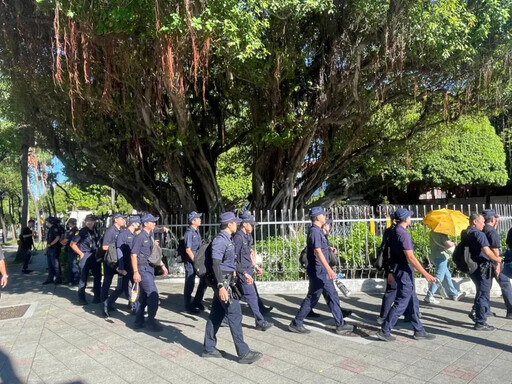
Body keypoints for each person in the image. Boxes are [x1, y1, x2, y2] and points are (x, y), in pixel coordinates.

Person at [203, 212, 262, 364]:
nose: (237, 224)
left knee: (216, 315)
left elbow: (231, 262)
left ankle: (209, 348)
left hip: (227, 280)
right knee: (235, 315)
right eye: (235, 222)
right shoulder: (220, 241)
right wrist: (221, 286)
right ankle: (243, 353)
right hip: (223, 282)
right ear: (229, 224)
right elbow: (216, 264)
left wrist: (244, 273)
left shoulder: (227, 239)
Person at [288, 207, 354, 335]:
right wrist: (329, 269)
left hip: (321, 270)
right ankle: (296, 323)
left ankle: (340, 324)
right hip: (319, 271)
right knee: (313, 297)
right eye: (323, 215)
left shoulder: (318, 231)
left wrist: (329, 248)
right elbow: (317, 251)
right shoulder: (315, 232)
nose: (325, 217)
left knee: (332, 296)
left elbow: (320, 248)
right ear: (317, 217)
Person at [377, 208, 436, 342]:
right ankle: (385, 330)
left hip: (401, 269)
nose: (410, 218)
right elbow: (410, 257)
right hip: (404, 271)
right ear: (405, 219)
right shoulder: (403, 234)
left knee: (412, 300)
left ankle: (419, 330)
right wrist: (426, 274)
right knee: (402, 301)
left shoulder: (393, 231)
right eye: (409, 216)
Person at [459, 213, 502, 330]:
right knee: (483, 294)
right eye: (481, 222)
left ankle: (475, 313)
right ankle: (480, 322)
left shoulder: (465, 232)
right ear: (475, 222)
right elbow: (487, 252)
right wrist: (498, 259)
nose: (484, 224)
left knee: (480, 292)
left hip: (472, 267)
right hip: (482, 268)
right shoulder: (479, 234)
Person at [234, 211, 273, 331]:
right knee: (251, 296)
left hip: (248, 270)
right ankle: (260, 321)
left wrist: (255, 266)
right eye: (251, 224)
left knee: (239, 296)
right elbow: (233, 258)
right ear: (244, 224)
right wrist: (241, 273)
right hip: (243, 272)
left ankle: (225, 316)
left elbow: (249, 253)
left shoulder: (248, 236)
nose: (253, 226)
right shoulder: (238, 237)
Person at [471, 209, 512, 320]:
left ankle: (484, 310)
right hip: (494, 262)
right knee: (505, 284)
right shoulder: (492, 231)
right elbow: (494, 249)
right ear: (493, 219)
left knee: (485, 287)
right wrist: (498, 264)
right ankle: (511, 310)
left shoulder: (482, 229)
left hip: (485, 263)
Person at [131, 214, 168, 332]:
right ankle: (150, 322)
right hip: (143, 269)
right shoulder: (140, 236)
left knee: (143, 297)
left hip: (149, 268)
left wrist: (162, 265)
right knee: (153, 295)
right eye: (152, 222)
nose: (154, 224)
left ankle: (138, 321)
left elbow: (152, 252)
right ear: (146, 223)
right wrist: (136, 272)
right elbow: (133, 255)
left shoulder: (149, 234)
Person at [104, 215, 141, 316]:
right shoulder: (123, 235)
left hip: (132, 264)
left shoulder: (136, 234)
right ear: (133, 223)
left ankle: (134, 306)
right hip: (124, 264)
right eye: (138, 222)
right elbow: (119, 251)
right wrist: (120, 267)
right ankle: (107, 303)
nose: (139, 224)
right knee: (122, 288)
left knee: (133, 286)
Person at [424, 230, 463, 304]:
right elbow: (448, 244)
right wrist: (453, 242)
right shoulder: (442, 234)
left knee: (447, 275)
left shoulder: (433, 232)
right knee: (439, 277)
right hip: (441, 256)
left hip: (435, 255)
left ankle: (454, 293)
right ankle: (429, 295)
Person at [70, 214, 102, 305]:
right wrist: (81, 253)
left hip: (95, 256)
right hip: (86, 255)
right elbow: (72, 244)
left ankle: (97, 297)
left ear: (94, 222)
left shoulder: (95, 230)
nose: (90, 222)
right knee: (83, 278)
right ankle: (81, 298)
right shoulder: (81, 232)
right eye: (88, 221)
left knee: (98, 277)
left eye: (91, 221)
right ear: (85, 222)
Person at [101, 213, 127, 316]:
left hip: (118, 260)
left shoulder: (122, 230)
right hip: (110, 260)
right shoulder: (110, 231)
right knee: (107, 282)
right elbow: (104, 247)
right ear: (116, 220)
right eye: (122, 219)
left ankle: (111, 301)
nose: (124, 220)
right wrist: (115, 248)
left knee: (121, 284)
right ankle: (104, 303)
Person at [182, 211, 208, 314]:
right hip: (191, 261)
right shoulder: (189, 233)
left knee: (204, 280)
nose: (200, 220)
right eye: (198, 218)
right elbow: (188, 249)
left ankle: (197, 301)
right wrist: (195, 261)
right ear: (193, 221)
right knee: (190, 282)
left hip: (197, 260)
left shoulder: (197, 231)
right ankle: (188, 305)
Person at [60, 218, 80, 286]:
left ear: (70, 223)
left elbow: (66, 240)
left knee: (73, 265)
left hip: (72, 250)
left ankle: (76, 280)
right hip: (71, 250)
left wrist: (60, 242)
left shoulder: (73, 231)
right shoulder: (75, 230)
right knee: (71, 265)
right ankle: (71, 279)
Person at [43, 217, 62, 285]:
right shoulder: (50, 229)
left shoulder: (55, 229)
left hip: (54, 248)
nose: (46, 223)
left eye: (47, 222)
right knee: (50, 264)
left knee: (55, 264)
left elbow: (57, 237)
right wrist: (46, 248)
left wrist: (51, 244)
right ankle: (50, 277)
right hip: (50, 249)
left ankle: (58, 278)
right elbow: (48, 240)